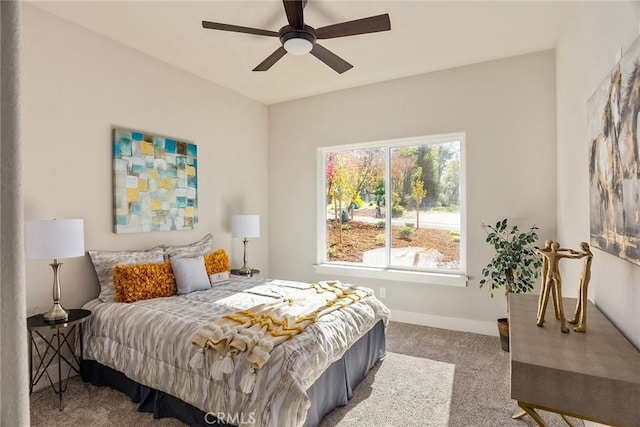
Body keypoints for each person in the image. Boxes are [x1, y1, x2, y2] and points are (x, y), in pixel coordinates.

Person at [536, 241, 584, 333]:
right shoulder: (557, 255)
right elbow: (570, 256)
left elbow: (540, 251)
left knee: (546, 296)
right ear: (557, 248)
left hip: (549, 276)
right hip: (556, 276)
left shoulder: (548, 253)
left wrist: (538, 251)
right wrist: (579, 255)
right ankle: (562, 325)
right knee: (559, 299)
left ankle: (540, 319)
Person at [567, 242, 593, 332]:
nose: (581, 249)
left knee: (583, 298)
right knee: (579, 297)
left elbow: (579, 256)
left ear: (586, 247)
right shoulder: (585, 253)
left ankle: (583, 324)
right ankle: (576, 318)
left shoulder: (589, 254)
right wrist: (572, 252)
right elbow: (579, 254)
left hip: (586, 276)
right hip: (582, 274)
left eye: (582, 247)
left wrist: (571, 255)